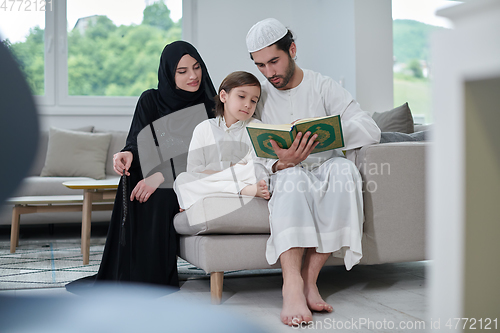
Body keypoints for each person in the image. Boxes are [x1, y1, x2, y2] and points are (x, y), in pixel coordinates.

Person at [245, 18, 381, 326]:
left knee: (345, 171)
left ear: (292, 50)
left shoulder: (324, 85)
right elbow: (250, 149)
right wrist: (280, 163)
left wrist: (322, 138)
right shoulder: (260, 96)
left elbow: (369, 129)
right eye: (261, 65)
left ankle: (310, 279)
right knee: (292, 179)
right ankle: (291, 285)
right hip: (286, 173)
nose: (269, 73)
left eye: (274, 62)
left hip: (326, 167)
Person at [66, 41, 216, 291]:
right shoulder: (151, 100)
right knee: (131, 177)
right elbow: (138, 141)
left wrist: (161, 177)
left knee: (159, 193)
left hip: (190, 178)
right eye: (182, 71)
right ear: (169, 73)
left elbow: (204, 156)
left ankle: (154, 279)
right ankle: (127, 272)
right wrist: (126, 154)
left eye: (197, 67)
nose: (193, 76)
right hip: (157, 172)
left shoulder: (212, 105)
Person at [173, 71, 270, 211]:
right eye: (242, 96)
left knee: (256, 169)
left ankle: (206, 193)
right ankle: (242, 190)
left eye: (253, 101)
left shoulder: (257, 128)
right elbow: (194, 171)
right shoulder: (203, 128)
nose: (248, 104)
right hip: (237, 183)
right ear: (224, 96)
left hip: (243, 179)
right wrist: (233, 167)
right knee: (182, 180)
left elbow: (255, 168)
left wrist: (214, 172)